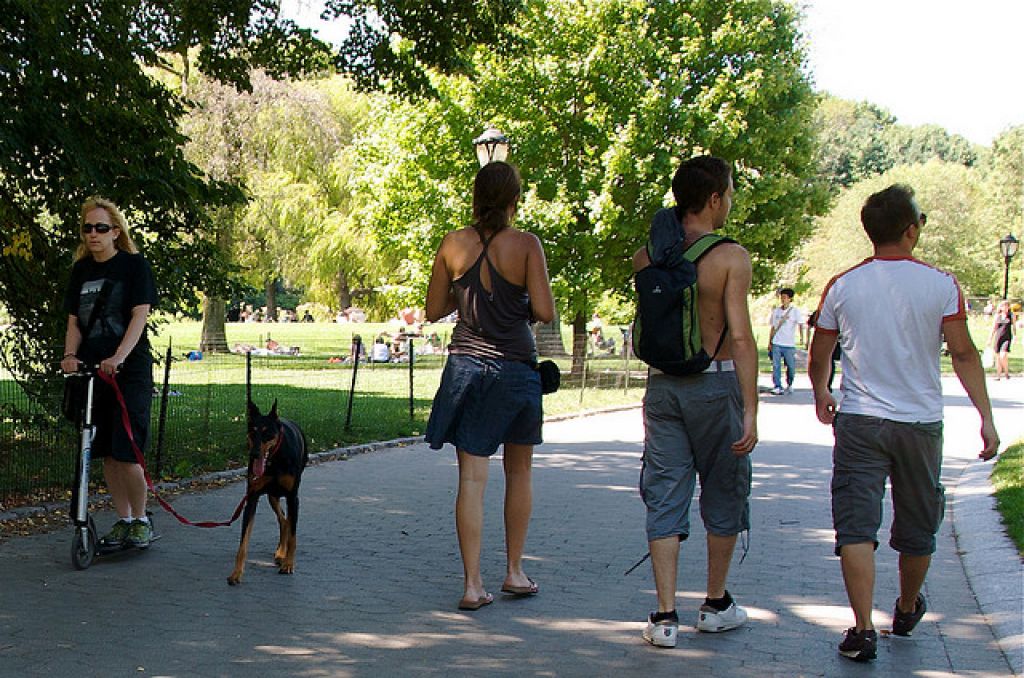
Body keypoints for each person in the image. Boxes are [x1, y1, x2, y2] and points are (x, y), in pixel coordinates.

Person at [809, 185, 999, 662]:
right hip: (919, 423)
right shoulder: (941, 285)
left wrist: (821, 392)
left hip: (859, 422)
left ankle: (861, 628)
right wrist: (986, 419)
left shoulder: (843, 284)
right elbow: (962, 353)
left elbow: (820, 353)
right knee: (918, 523)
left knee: (856, 526)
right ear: (911, 230)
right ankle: (908, 606)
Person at [632, 156, 758, 648]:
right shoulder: (731, 257)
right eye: (728, 193)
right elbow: (742, 339)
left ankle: (664, 616)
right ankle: (715, 602)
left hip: (662, 387)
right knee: (724, 489)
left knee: (664, 491)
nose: (729, 201)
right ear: (712, 199)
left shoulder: (647, 257)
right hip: (715, 383)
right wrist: (751, 407)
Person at [424, 161, 555, 611]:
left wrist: (468, 295)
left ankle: (472, 584)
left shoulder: (453, 244)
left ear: (477, 197)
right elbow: (544, 309)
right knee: (518, 471)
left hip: (465, 368)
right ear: (515, 199)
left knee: (471, 479)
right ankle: (515, 571)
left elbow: (433, 309)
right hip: (515, 368)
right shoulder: (525, 245)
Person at [61, 196, 158, 549]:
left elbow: (139, 315)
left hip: (127, 371)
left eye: (101, 228)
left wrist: (119, 355)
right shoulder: (81, 272)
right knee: (103, 450)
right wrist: (70, 355)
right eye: (87, 228)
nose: (93, 234)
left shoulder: (133, 267)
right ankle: (125, 518)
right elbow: (74, 321)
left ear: (116, 231)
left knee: (126, 451)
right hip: (92, 371)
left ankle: (142, 518)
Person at [767, 287, 804, 395]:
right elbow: (773, 327)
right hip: (777, 343)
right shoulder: (776, 311)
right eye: (781, 297)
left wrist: (802, 338)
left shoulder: (795, 312)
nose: (783, 299)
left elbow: (800, 324)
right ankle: (777, 385)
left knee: (791, 367)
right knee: (776, 365)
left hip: (789, 344)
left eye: (785, 297)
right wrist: (770, 342)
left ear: (790, 299)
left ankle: (790, 382)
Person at [989, 300, 1015, 380]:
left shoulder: (1011, 315)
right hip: (998, 337)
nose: (1005, 308)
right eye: (1003, 306)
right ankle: (998, 375)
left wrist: (1015, 336)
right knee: (998, 357)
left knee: (1003, 355)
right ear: (1000, 307)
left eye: (1007, 306)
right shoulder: (998, 316)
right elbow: (994, 328)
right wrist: (990, 338)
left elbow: (1014, 327)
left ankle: (1006, 372)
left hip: (1007, 338)